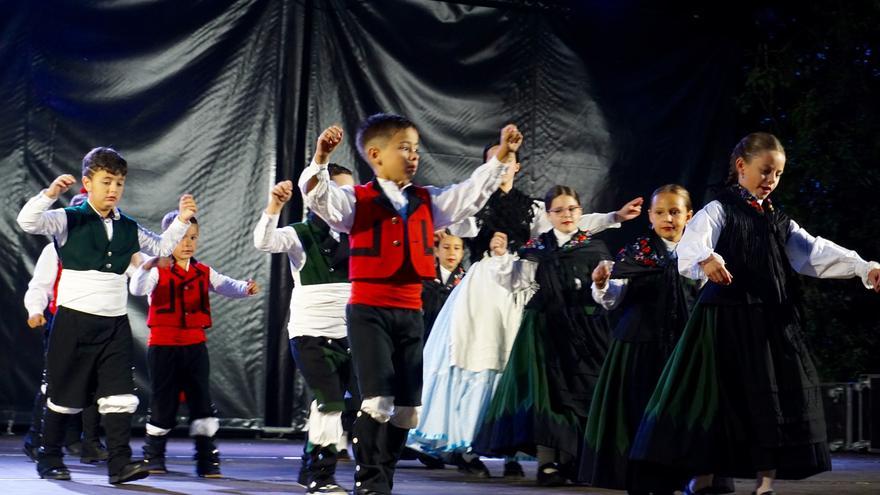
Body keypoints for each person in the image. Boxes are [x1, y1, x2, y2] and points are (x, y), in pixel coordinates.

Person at [629, 133, 880, 495]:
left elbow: (812, 252)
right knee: (716, 399)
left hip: (769, 320)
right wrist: (706, 258)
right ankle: (703, 475)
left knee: (770, 397)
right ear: (742, 167)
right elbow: (693, 241)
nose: (770, 181)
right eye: (764, 172)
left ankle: (765, 483)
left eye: (776, 174)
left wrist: (862, 267)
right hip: (725, 319)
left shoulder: (778, 219)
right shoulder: (721, 208)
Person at [298, 114, 522, 494]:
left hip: (410, 312)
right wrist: (320, 160)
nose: (413, 155)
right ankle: (370, 481)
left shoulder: (426, 200)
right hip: (369, 311)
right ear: (376, 155)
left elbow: (470, 193)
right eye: (403, 147)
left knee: (407, 409)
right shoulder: (357, 200)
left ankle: (384, 475)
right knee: (377, 398)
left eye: (416, 148)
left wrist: (500, 156)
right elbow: (320, 198)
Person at [409, 142, 642, 478]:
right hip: (485, 288)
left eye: (509, 161)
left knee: (517, 367)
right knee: (477, 362)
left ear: (517, 166)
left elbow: (570, 223)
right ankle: (466, 445)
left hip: (523, 285)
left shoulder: (532, 209)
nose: (503, 166)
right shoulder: (474, 204)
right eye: (496, 160)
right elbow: (446, 216)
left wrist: (613, 217)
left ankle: (516, 448)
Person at [17, 146, 197, 484]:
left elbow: (159, 248)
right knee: (63, 396)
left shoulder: (128, 226)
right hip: (72, 322)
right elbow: (27, 221)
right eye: (106, 181)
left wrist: (182, 221)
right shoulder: (68, 218)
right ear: (87, 183)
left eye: (119, 183)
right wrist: (50, 194)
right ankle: (49, 457)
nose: (113, 189)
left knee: (119, 395)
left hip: (114, 324)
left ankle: (120, 464)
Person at [471, 185, 614, 487]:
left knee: (583, 392)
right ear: (548, 215)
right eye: (559, 210)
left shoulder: (594, 248)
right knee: (545, 395)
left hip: (586, 330)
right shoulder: (535, 249)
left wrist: (601, 286)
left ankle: (575, 461)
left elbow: (607, 295)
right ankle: (547, 464)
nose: (566, 215)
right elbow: (514, 283)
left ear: (580, 211)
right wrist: (499, 257)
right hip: (544, 329)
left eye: (572, 209)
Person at [253, 164, 360, 494]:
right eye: (336, 194)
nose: (344, 203)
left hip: (351, 333)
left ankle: (308, 465)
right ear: (316, 197)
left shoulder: (359, 234)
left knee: (351, 403)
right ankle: (321, 476)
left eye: (349, 195)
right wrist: (274, 207)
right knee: (329, 401)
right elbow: (264, 241)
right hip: (310, 333)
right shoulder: (300, 233)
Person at [131, 211, 258, 478]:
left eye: (193, 238)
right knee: (163, 401)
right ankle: (154, 455)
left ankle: (206, 458)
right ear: (167, 239)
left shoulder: (203, 271)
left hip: (195, 346)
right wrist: (147, 265)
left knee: (201, 401)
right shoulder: (156, 270)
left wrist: (245, 288)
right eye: (181, 238)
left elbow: (226, 285)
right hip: (164, 346)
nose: (187, 243)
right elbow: (138, 289)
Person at [22, 192, 109, 465]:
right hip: (63, 322)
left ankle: (85, 442)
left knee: (93, 385)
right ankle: (36, 439)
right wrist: (35, 310)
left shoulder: (106, 249)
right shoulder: (55, 249)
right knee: (56, 384)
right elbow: (40, 286)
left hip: (97, 323)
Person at [420, 232, 466, 342]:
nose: (451, 252)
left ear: (462, 254)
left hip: (454, 341)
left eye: (456, 248)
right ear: (436, 251)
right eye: (446, 247)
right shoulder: (425, 280)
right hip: (426, 337)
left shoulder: (466, 282)